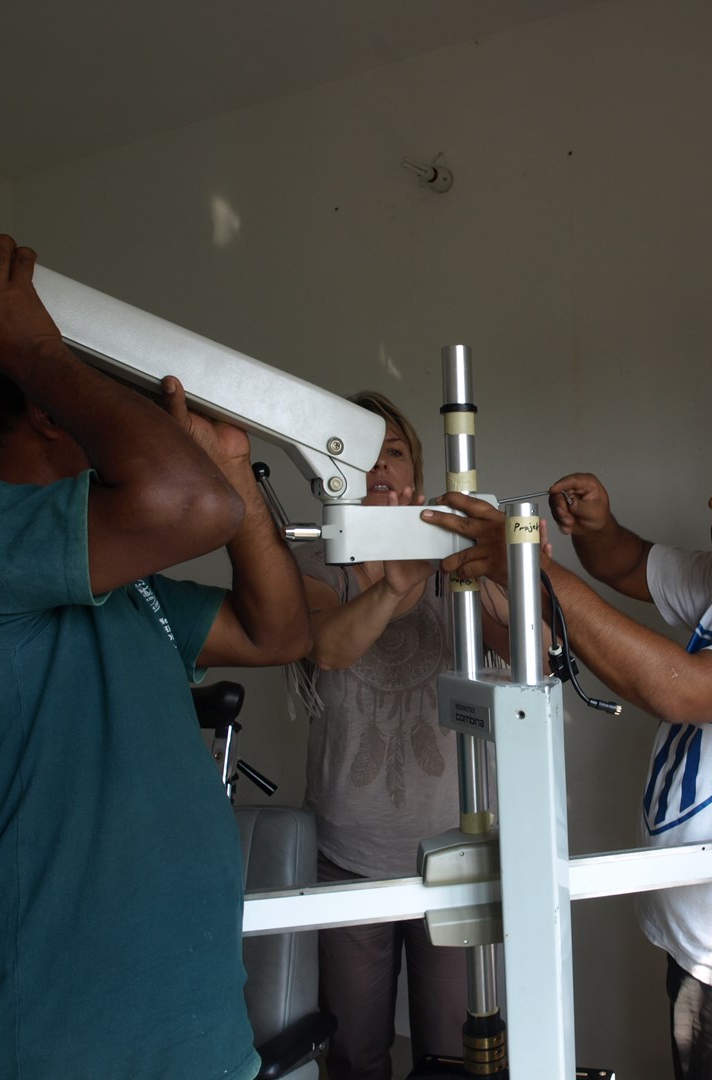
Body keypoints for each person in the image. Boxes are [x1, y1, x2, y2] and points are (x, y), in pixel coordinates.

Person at [0, 224, 312, 1080]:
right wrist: (34, 350)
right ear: (48, 411)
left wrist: (235, 470)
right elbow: (187, 506)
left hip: (205, 1049)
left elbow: (279, 633)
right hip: (49, 1054)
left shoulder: (129, 587)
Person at [424, 411, 712, 1080]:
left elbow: (678, 689)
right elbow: (630, 564)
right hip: (702, 952)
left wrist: (529, 567)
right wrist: (598, 528)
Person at [288, 391, 509, 1080]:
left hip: (453, 849)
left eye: (393, 451)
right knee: (356, 1056)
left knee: (453, 1054)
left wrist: (503, 563)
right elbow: (328, 648)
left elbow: (528, 648)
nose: (379, 465)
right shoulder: (316, 556)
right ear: (330, 469)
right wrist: (390, 588)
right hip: (347, 850)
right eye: (358, 451)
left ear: (415, 471)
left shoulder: (454, 558)